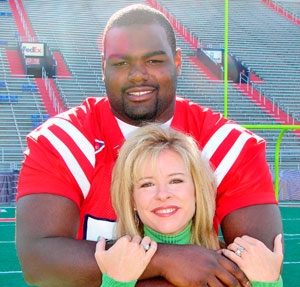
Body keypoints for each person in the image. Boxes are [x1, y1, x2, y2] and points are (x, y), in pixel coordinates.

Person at [16, 3, 283, 287]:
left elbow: (256, 266)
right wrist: (168, 260)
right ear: (103, 68)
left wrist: (126, 272)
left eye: (154, 61)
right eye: (120, 63)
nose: (138, 75)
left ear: (177, 62)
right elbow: (39, 263)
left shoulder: (229, 145)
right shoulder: (63, 140)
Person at [94, 124, 283, 287]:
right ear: (132, 200)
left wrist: (267, 283)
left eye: (176, 181)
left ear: (197, 190)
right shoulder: (115, 265)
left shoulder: (237, 265)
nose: (163, 195)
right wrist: (115, 282)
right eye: (147, 184)